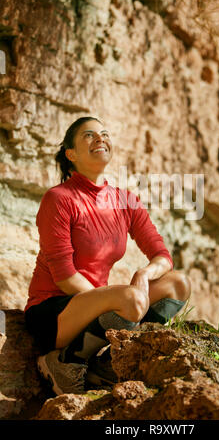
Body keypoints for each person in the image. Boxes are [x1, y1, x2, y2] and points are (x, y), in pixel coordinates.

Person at [24, 116, 191, 395]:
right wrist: (110, 302)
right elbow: (64, 277)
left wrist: (144, 274)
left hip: (96, 303)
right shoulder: (59, 198)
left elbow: (161, 254)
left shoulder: (125, 200)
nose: (100, 138)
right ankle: (66, 362)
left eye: (104, 133)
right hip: (53, 313)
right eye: (89, 135)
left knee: (178, 283)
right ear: (71, 154)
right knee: (131, 299)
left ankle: (106, 366)